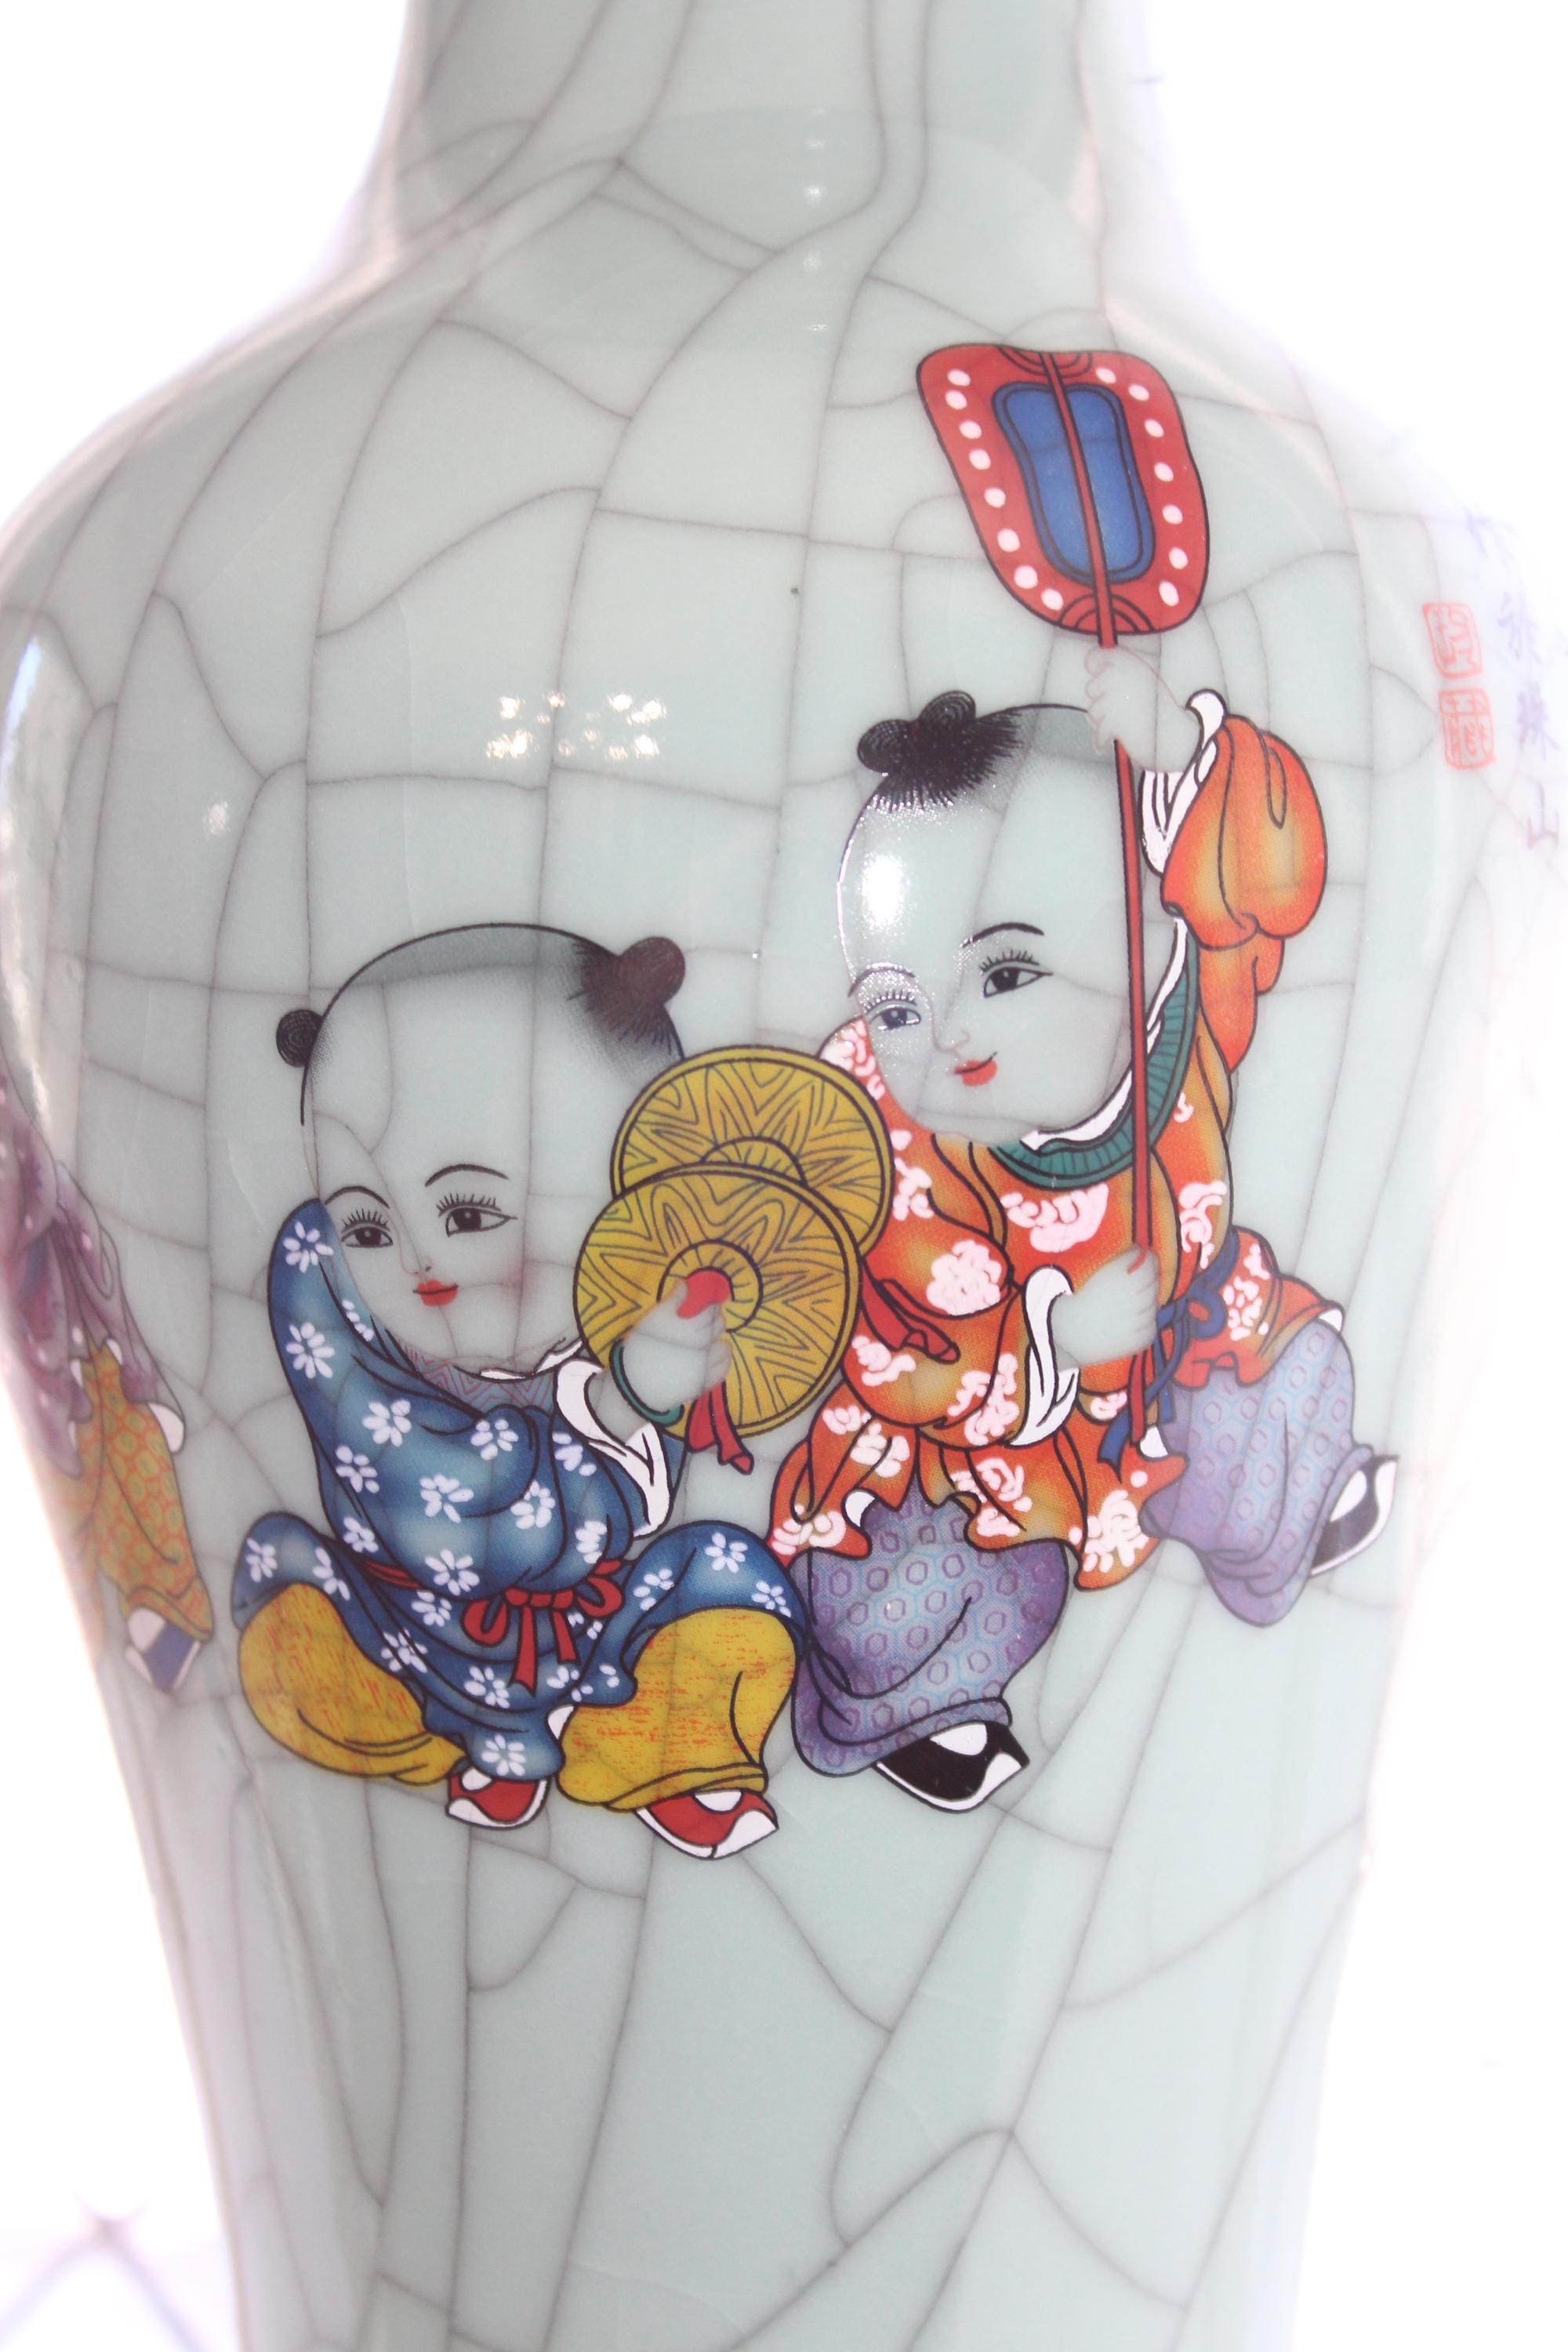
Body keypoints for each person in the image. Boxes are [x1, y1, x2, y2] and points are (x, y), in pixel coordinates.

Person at [770, 654, 1396, 1811]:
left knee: (1273, 1392)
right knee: (908, 1581)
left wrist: (1186, 763)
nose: (947, 1036)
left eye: (1007, 971)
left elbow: (1258, 887)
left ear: (1145, 927)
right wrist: (1053, 1342)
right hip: (972, 1450)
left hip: (1168, 1366)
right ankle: (914, 1711)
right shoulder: (885, 1144)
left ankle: (1281, 1519)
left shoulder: (1180, 1018)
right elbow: (893, 1348)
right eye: (898, 1002)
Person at [234, 924, 800, 1857]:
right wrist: (617, 1406)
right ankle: (456, 1745)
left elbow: (646, 1500)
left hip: (598, 1629)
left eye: (468, 1213)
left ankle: (645, 1751)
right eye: (367, 1226)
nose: (417, 1262)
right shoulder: (321, 1289)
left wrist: (646, 1385)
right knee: (291, 1619)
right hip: (412, 1632)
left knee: (732, 1590)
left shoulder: (655, 1290)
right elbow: (456, 1522)